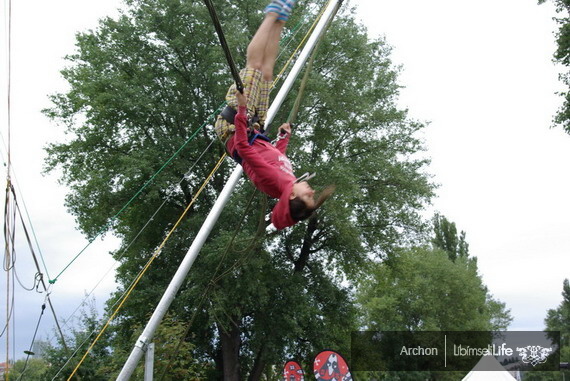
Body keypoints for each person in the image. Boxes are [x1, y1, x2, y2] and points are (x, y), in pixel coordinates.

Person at [214, 0, 333, 229]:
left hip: (234, 126)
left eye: (308, 196)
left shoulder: (273, 182)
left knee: (255, 65)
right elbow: (274, 157)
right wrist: (284, 138)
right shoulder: (286, 181)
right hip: (252, 127)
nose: (312, 191)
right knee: (267, 73)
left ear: (291, 197)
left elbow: (244, 149)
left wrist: (240, 108)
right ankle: (280, 21)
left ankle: (271, 15)